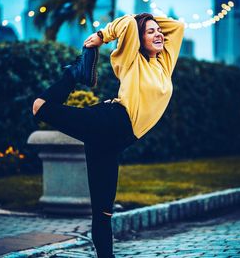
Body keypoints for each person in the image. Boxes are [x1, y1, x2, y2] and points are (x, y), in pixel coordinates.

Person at [32, 13, 184, 258]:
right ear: (139, 38)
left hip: (115, 140)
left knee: (103, 212)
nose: (159, 34)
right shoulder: (132, 59)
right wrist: (103, 36)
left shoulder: (164, 62)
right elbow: (128, 25)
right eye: (150, 32)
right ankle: (75, 74)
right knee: (40, 107)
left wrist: (148, 21)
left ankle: (78, 72)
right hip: (111, 121)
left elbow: (177, 26)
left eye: (159, 31)